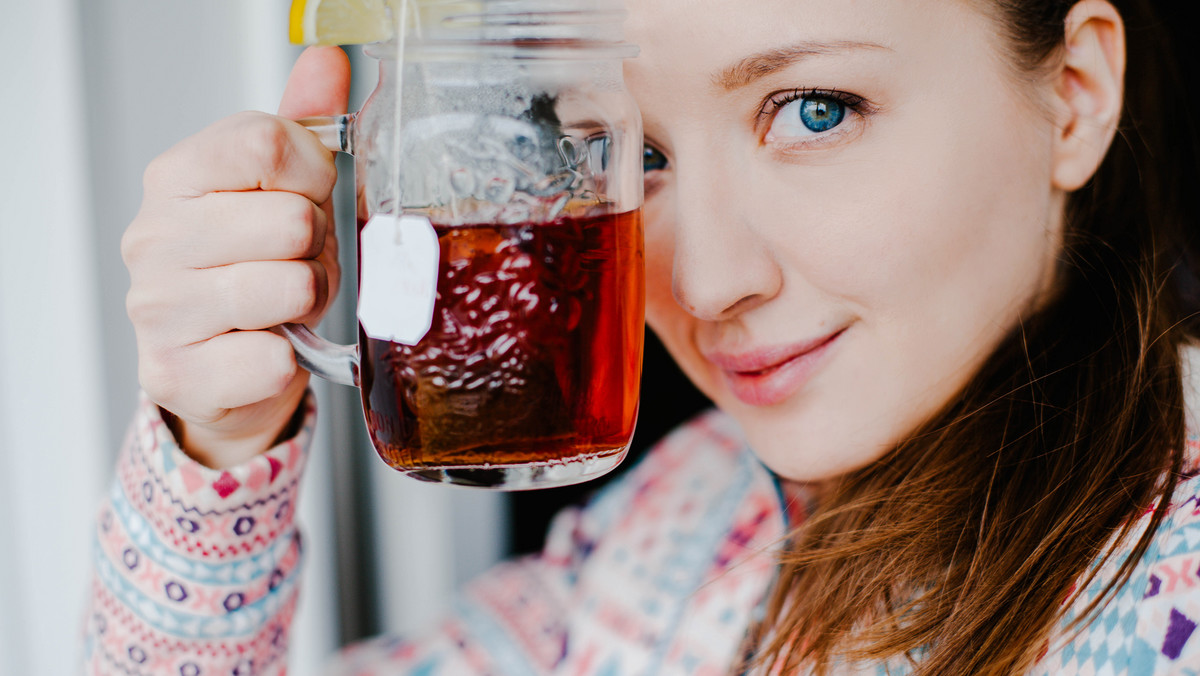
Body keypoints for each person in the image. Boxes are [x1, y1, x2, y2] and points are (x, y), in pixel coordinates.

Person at [84, 0, 1200, 673]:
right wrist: (219, 447)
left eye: (814, 109)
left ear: (1073, 92)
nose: (709, 283)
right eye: (642, 154)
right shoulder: (677, 521)